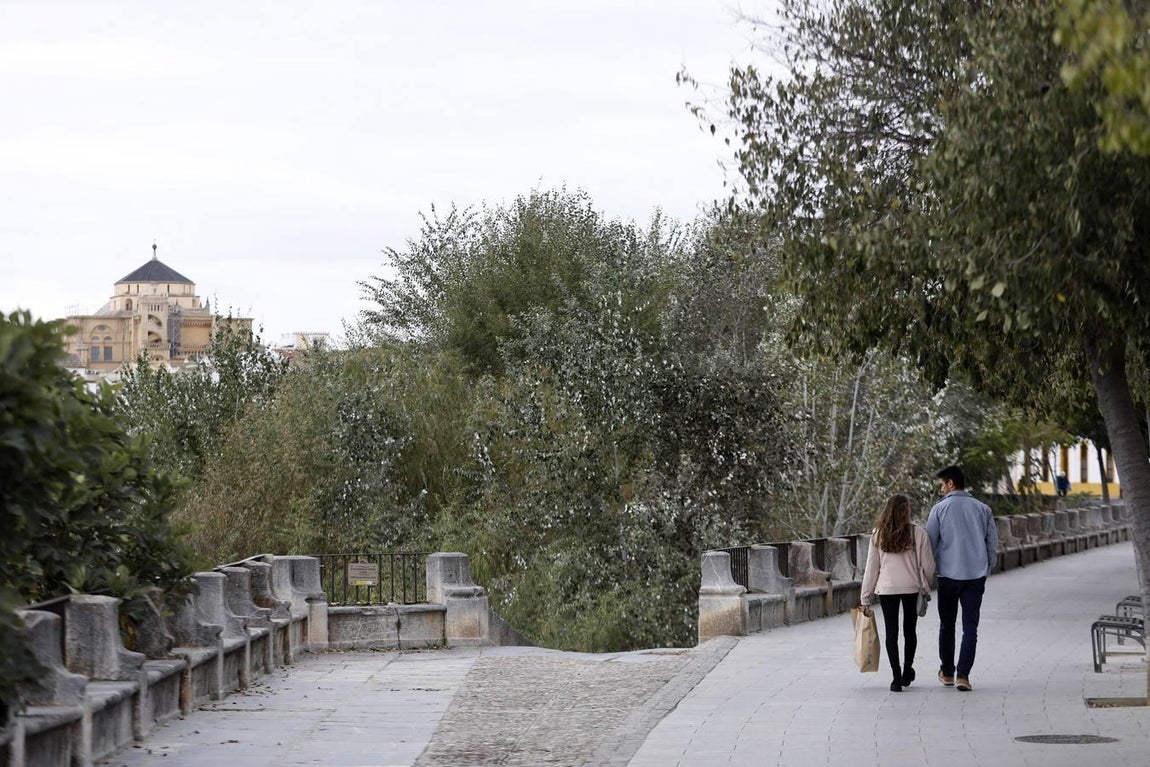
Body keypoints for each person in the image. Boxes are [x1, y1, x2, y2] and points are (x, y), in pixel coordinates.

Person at [926, 465, 998, 692]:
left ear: (950, 483)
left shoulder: (939, 509)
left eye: (942, 484)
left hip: (948, 576)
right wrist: (987, 568)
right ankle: (963, 676)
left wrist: (928, 573)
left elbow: (929, 543)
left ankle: (947, 672)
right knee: (970, 628)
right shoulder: (983, 509)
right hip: (975, 577)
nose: (941, 489)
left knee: (947, 625)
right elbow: (992, 543)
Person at [860, 494, 936, 692]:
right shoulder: (918, 533)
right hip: (911, 587)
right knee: (910, 631)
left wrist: (865, 597)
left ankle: (895, 678)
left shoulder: (878, 535)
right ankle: (907, 670)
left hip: (887, 589)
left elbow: (871, 568)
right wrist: (926, 584)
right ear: (906, 511)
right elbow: (929, 565)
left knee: (891, 632)